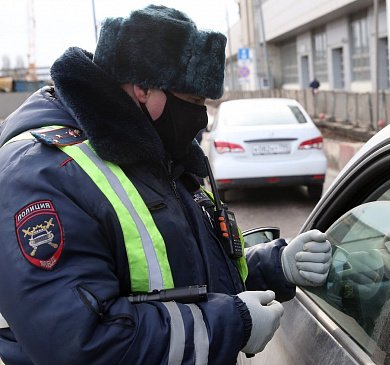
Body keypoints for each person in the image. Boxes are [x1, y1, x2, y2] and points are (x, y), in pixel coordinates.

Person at [0, 5, 332, 364]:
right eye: (192, 101)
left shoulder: (158, 153)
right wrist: (230, 324)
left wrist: (274, 265)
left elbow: (187, 275)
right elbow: (80, 344)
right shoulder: (43, 174)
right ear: (143, 88)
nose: (201, 117)